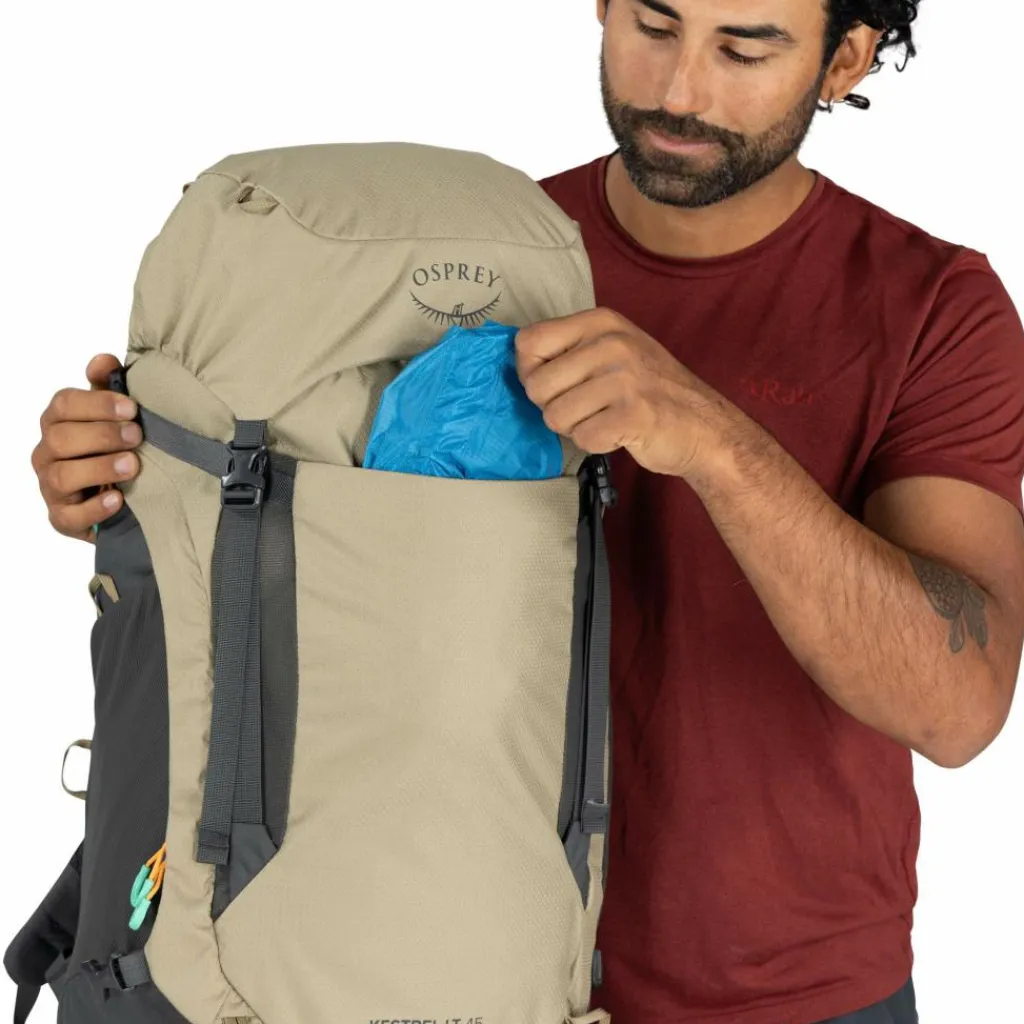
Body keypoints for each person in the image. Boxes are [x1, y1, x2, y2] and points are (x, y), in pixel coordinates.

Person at [29, 1, 1024, 1022]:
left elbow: (957, 709)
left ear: (843, 59)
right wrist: (131, 480)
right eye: (653, 26)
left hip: (794, 997)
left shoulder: (931, 306)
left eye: (742, 48)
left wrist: (712, 439)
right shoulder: (486, 264)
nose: (678, 89)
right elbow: (290, 557)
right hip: (451, 977)